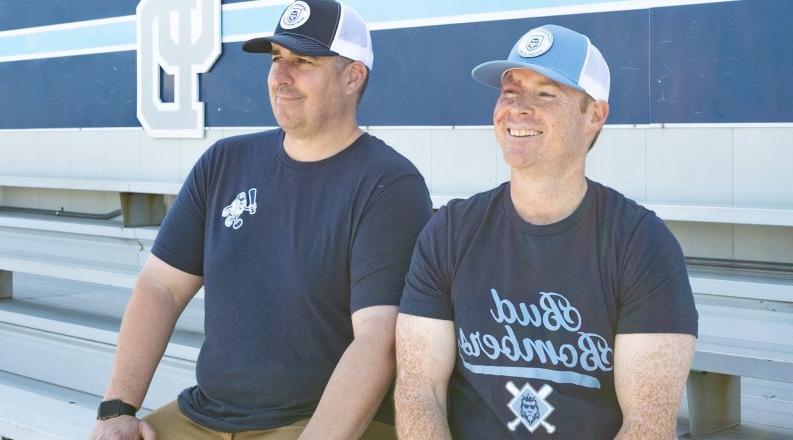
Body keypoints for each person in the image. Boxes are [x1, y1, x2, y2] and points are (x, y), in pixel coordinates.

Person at [91, 0, 432, 439]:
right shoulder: (225, 162)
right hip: (206, 414)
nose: (281, 76)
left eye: (302, 62)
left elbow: (378, 337)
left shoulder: (388, 184)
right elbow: (161, 287)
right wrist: (117, 409)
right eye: (276, 59)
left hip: (311, 421)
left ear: (352, 76)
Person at [394, 24, 698, 439]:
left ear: (594, 115)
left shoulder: (641, 244)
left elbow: (648, 423)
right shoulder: (449, 232)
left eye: (546, 94)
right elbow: (419, 391)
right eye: (510, 92)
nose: (518, 108)